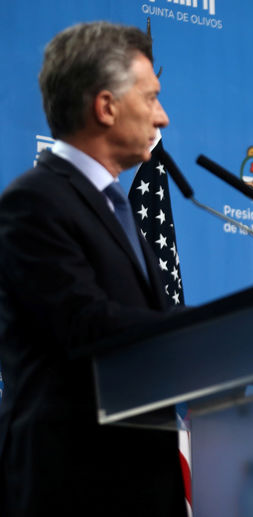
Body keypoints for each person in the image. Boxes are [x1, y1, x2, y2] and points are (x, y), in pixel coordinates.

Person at [0, 22, 186, 516]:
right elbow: (84, 323)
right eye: (151, 98)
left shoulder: (115, 209)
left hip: (143, 481)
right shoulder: (33, 202)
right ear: (105, 107)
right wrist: (205, 332)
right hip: (72, 485)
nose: (162, 117)